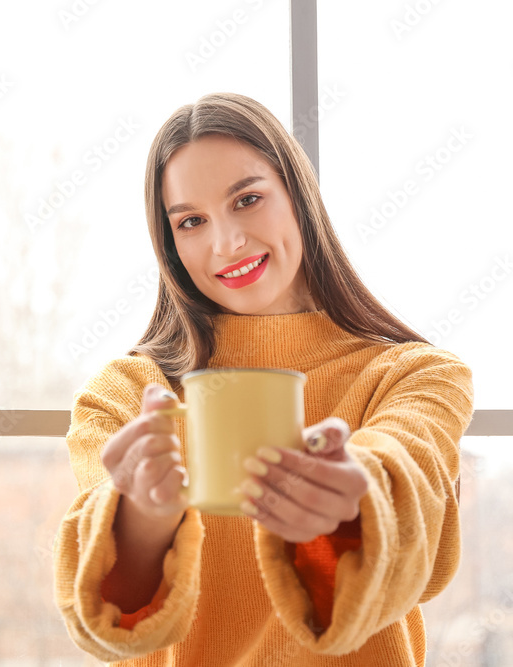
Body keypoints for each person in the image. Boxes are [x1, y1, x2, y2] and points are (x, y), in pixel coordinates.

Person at [53, 92, 474, 666]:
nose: (226, 243)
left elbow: (411, 491)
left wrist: (353, 502)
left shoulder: (417, 376)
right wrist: (143, 516)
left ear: (298, 198)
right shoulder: (127, 393)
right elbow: (105, 618)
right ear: (171, 244)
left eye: (247, 200)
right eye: (192, 221)